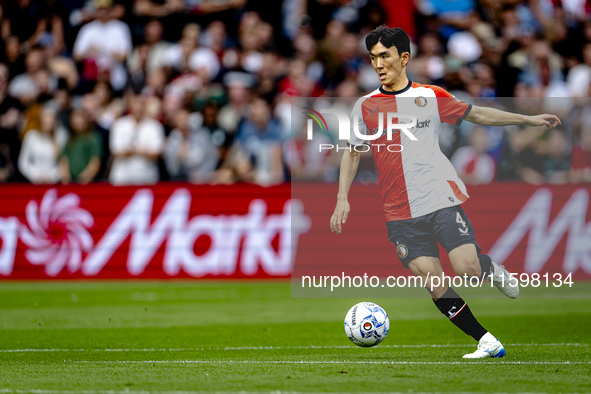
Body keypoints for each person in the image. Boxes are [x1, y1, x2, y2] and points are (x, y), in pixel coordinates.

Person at [330, 26, 560, 359]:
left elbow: (478, 114)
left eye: (385, 55)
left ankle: (489, 268)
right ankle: (486, 340)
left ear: (403, 57)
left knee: (466, 268)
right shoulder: (364, 106)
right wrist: (342, 198)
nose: (378, 64)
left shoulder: (431, 97)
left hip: (439, 199)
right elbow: (352, 151)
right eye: (373, 57)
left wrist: (527, 119)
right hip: (399, 212)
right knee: (433, 282)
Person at [59, 109, 103, 184]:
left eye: (80, 118)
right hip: (71, 183)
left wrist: (84, 178)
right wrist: (65, 177)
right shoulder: (70, 140)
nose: (77, 121)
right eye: (75, 118)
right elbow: (64, 160)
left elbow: (95, 162)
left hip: (86, 183)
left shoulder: (92, 139)